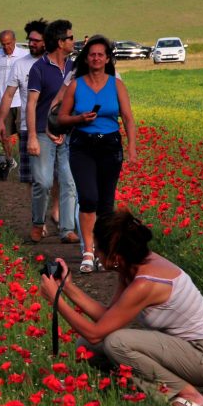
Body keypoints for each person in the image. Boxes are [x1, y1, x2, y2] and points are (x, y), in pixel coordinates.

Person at [38, 211, 203, 406]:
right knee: (87, 348)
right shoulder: (134, 266)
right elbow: (107, 319)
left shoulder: (145, 283)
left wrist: (56, 301)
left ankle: (189, 396)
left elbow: (96, 332)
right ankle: (145, 390)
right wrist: (67, 288)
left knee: (116, 343)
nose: (95, 254)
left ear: (115, 257)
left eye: (97, 249)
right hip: (184, 349)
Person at [56, 34, 138, 272]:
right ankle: (88, 251)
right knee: (88, 198)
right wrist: (79, 118)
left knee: (105, 203)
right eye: (92, 54)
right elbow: (61, 118)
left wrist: (131, 147)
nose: (96, 58)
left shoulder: (116, 84)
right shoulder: (76, 84)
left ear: (107, 58)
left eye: (100, 54)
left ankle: (104, 251)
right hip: (83, 145)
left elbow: (128, 118)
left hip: (110, 146)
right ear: (86, 58)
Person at [26, 19, 79, 244]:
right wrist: (31, 137)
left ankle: (67, 229)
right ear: (60, 42)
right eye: (70, 37)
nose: (73, 41)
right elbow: (31, 103)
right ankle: (38, 222)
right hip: (42, 132)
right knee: (44, 181)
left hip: (68, 133)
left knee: (69, 181)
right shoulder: (39, 68)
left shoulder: (74, 67)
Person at [0, 19, 47, 185]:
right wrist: (1, 121)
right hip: (27, 127)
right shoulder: (20, 64)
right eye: (29, 40)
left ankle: (55, 212)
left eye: (36, 41)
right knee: (30, 179)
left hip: (52, 128)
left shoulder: (54, 63)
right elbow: (8, 95)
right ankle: (37, 212)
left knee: (54, 177)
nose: (31, 44)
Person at [0, 30, 27, 172]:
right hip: (4, 103)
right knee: (3, 135)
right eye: (3, 44)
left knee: (24, 135)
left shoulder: (24, 55)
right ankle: (10, 159)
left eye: (9, 43)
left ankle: (25, 163)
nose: (6, 47)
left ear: (15, 41)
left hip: (22, 102)